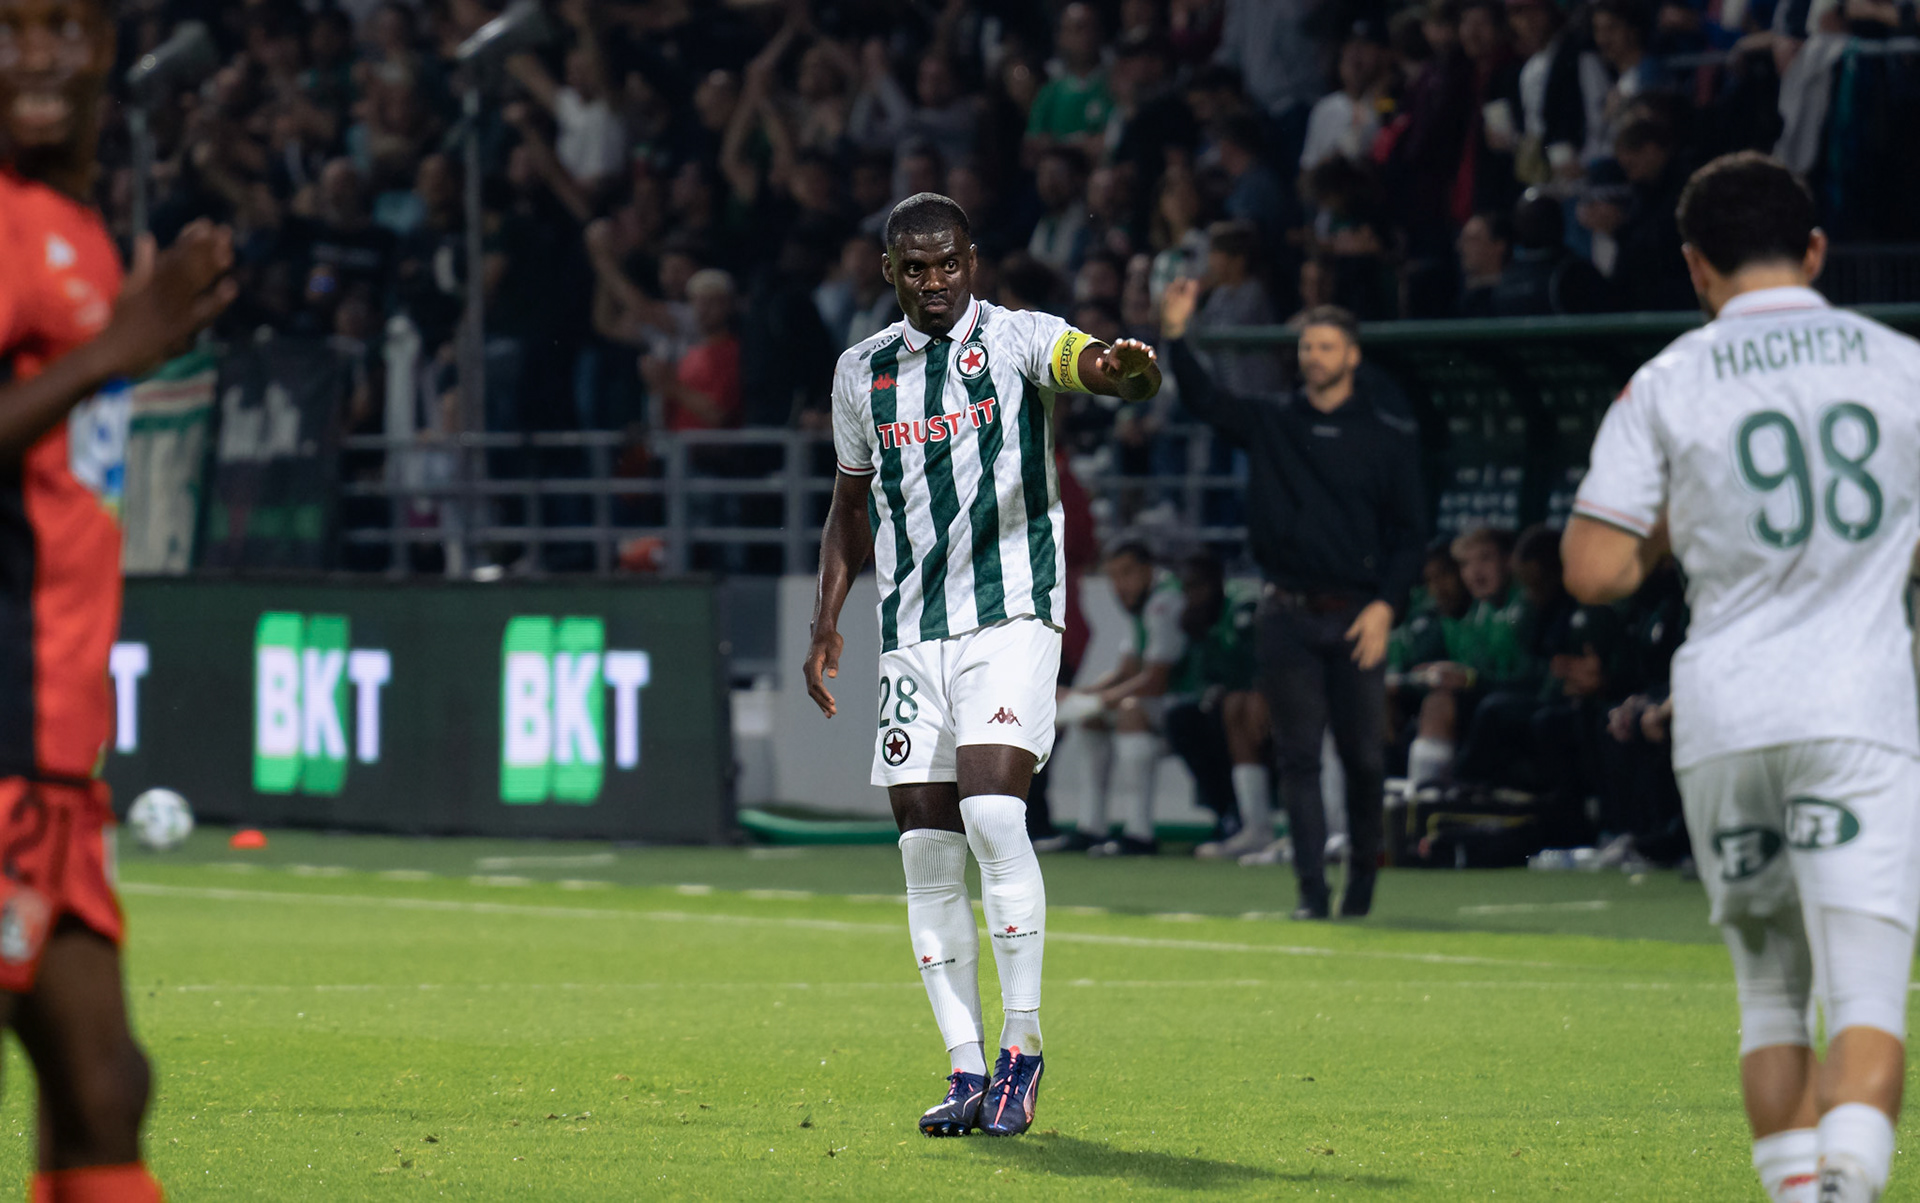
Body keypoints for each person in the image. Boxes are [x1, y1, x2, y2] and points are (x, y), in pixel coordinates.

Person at [1563, 152, 1920, 1203]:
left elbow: (1595, 569)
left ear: (1694, 265)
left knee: (1770, 996)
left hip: (1723, 716)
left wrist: (1679, 520)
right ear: (1815, 250)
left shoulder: (1668, 381)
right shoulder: (1899, 366)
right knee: (1866, 996)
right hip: (1856, 710)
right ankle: (1848, 1183)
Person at [804, 193, 1161, 1138]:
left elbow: (1092, 364)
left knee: (994, 811)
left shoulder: (1014, 338)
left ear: (972, 260)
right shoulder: (861, 371)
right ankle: (965, 1065)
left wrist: (1126, 372)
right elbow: (849, 504)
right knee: (925, 851)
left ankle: (1022, 1047)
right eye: (916, 268)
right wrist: (826, 619)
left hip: (1011, 615)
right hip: (911, 629)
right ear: (891, 272)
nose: (935, 281)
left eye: (949, 263)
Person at [0, 0, 238, 1195]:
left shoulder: (78, 235)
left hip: (51, 753)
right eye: (7, 29)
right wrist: (114, 352)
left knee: (101, 1089)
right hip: (4, 741)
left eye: (60, 26)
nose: (36, 56)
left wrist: (120, 338)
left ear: (103, 44)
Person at [1159, 287, 1425, 919]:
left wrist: (1387, 606)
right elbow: (1206, 401)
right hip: (1285, 612)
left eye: (1326, 346)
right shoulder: (1273, 419)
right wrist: (1174, 335)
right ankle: (1311, 894)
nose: (1313, 356)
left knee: (1364, 759)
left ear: (1352, 356)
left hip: (1358, 615)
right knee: (1297, 758)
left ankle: (1360, 887)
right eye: (1306, 346)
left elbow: (1413, 535)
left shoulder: (1388, 438)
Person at [1040, 543, 1186, 857]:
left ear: (1148, 569)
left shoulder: (1165, 602)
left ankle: (1140, 833)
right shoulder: (1144, 602)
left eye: (1127, 573)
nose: (1120, 585)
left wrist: (1099, 699)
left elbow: (1156, 680)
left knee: (1128, 712)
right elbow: (1128, 669)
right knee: (1091, 717)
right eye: (1114, 577)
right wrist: (1083, 697)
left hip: (1186, 702)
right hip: (1164, 702)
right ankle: (1091, 826)